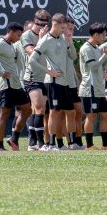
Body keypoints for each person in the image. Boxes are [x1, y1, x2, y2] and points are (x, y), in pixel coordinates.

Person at [29, 13, 78, 150]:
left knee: (70, 111)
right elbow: (32, 60)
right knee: (54, 112)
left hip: (65, 82)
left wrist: (70, 41)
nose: (65, 30)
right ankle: (50, 144)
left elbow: (73, 56)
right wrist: (48, 71)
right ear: (55, 24)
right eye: (63, 28)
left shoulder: (63, 39)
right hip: (52, 82)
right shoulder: (45, 40)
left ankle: (72, 143)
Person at [0, 22, 32, 152]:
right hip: (6, 84)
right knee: (4, 113)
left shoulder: (12, 46)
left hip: (15, 83)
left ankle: (14, 138)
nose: (19, 38)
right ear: (11, 31)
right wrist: (0, 71)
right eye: (18, 35)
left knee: (27, 109)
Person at [78, 22, 107, 149]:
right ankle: (89, 145)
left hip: (99, 88)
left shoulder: (95, 48)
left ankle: (105, 144)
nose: (104, 37)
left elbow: (100, 66)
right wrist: (106, 54)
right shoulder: (86, 48)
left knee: (106, 114)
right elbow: (93, 67)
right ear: (95, 34)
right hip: (90, 88)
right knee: (91, 116)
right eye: (103, 35)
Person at [21, 9, 51, 150]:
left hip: (43, 77)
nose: (43, 27)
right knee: (39, 109)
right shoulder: (26, 35)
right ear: (35, 21)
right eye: (40, 24)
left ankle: (32, 143)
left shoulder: (47, 36)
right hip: (31, 77)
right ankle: (41, 143)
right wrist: (40, 39)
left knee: (39, 110)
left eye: (45, 24)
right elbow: (32, 53)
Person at [64, 20, 84, 149]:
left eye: (72, 29)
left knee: (79, 111)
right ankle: (69, 141)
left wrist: (76, 82)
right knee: (68, 113)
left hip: (72, 83)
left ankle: (78, 141)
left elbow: (73, 59)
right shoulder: (56, 42)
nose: (71, 31)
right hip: (61, 83)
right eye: (68, 28)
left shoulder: (69, 42)